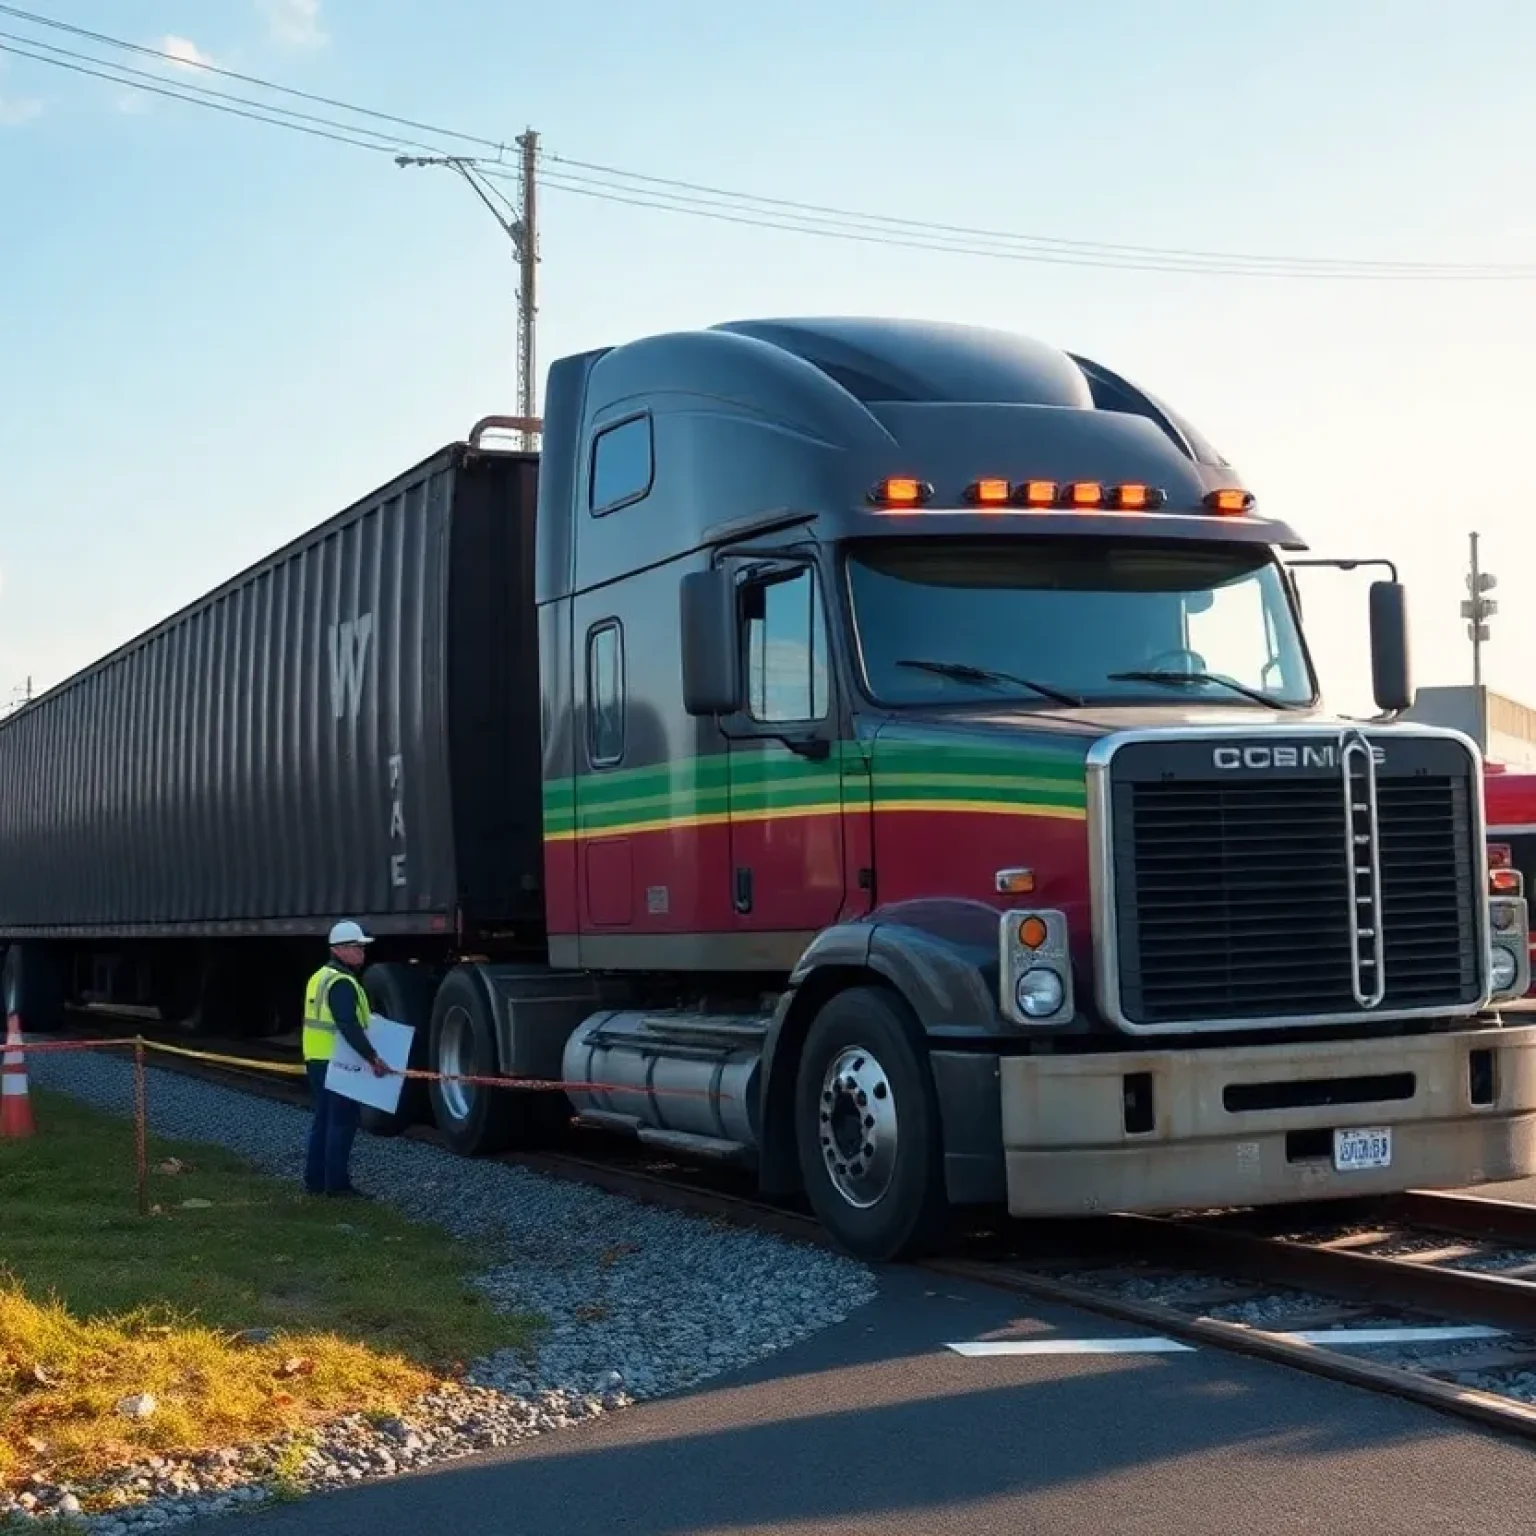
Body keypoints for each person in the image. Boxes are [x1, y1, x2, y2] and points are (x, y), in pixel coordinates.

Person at [301, 920, 389, 1197]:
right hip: (335, 1061)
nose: (362, 953)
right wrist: (372, 1056)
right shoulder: (342, 982)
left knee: (324, 1120)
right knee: (342, 1122)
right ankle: (337, 1186)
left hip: (317, 1058)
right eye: (357, 947)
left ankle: (315, 1181)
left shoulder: (320, 976)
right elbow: (347, 1024)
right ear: (340, 950)